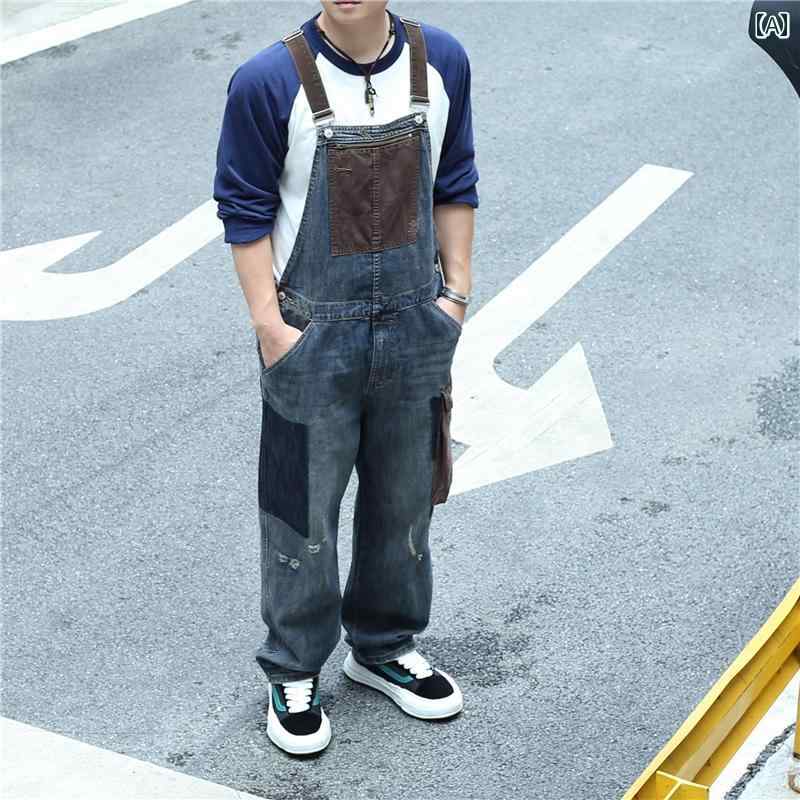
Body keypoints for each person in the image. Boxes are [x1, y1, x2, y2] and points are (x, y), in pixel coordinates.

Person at [213, 0, 478, 755]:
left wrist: (456, 294)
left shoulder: (441, 62)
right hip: (311, 335)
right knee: (298, 513)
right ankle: (294, 668)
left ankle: (384, 646)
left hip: (416, 324)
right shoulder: (267, 80)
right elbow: (243, 209)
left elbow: (455, 178)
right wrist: (271, 327)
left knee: (405, 501)